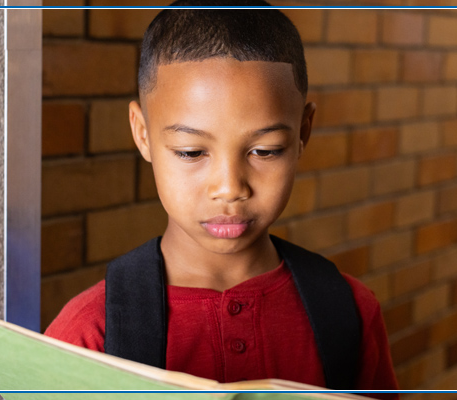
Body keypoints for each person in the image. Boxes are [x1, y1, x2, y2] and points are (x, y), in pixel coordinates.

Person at [45, 1, 399, 397]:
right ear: (142, 133)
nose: (230, 187)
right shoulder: (88, 335)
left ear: (303, 132)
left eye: (265, 151)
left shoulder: (348, 313)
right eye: (191, 152)